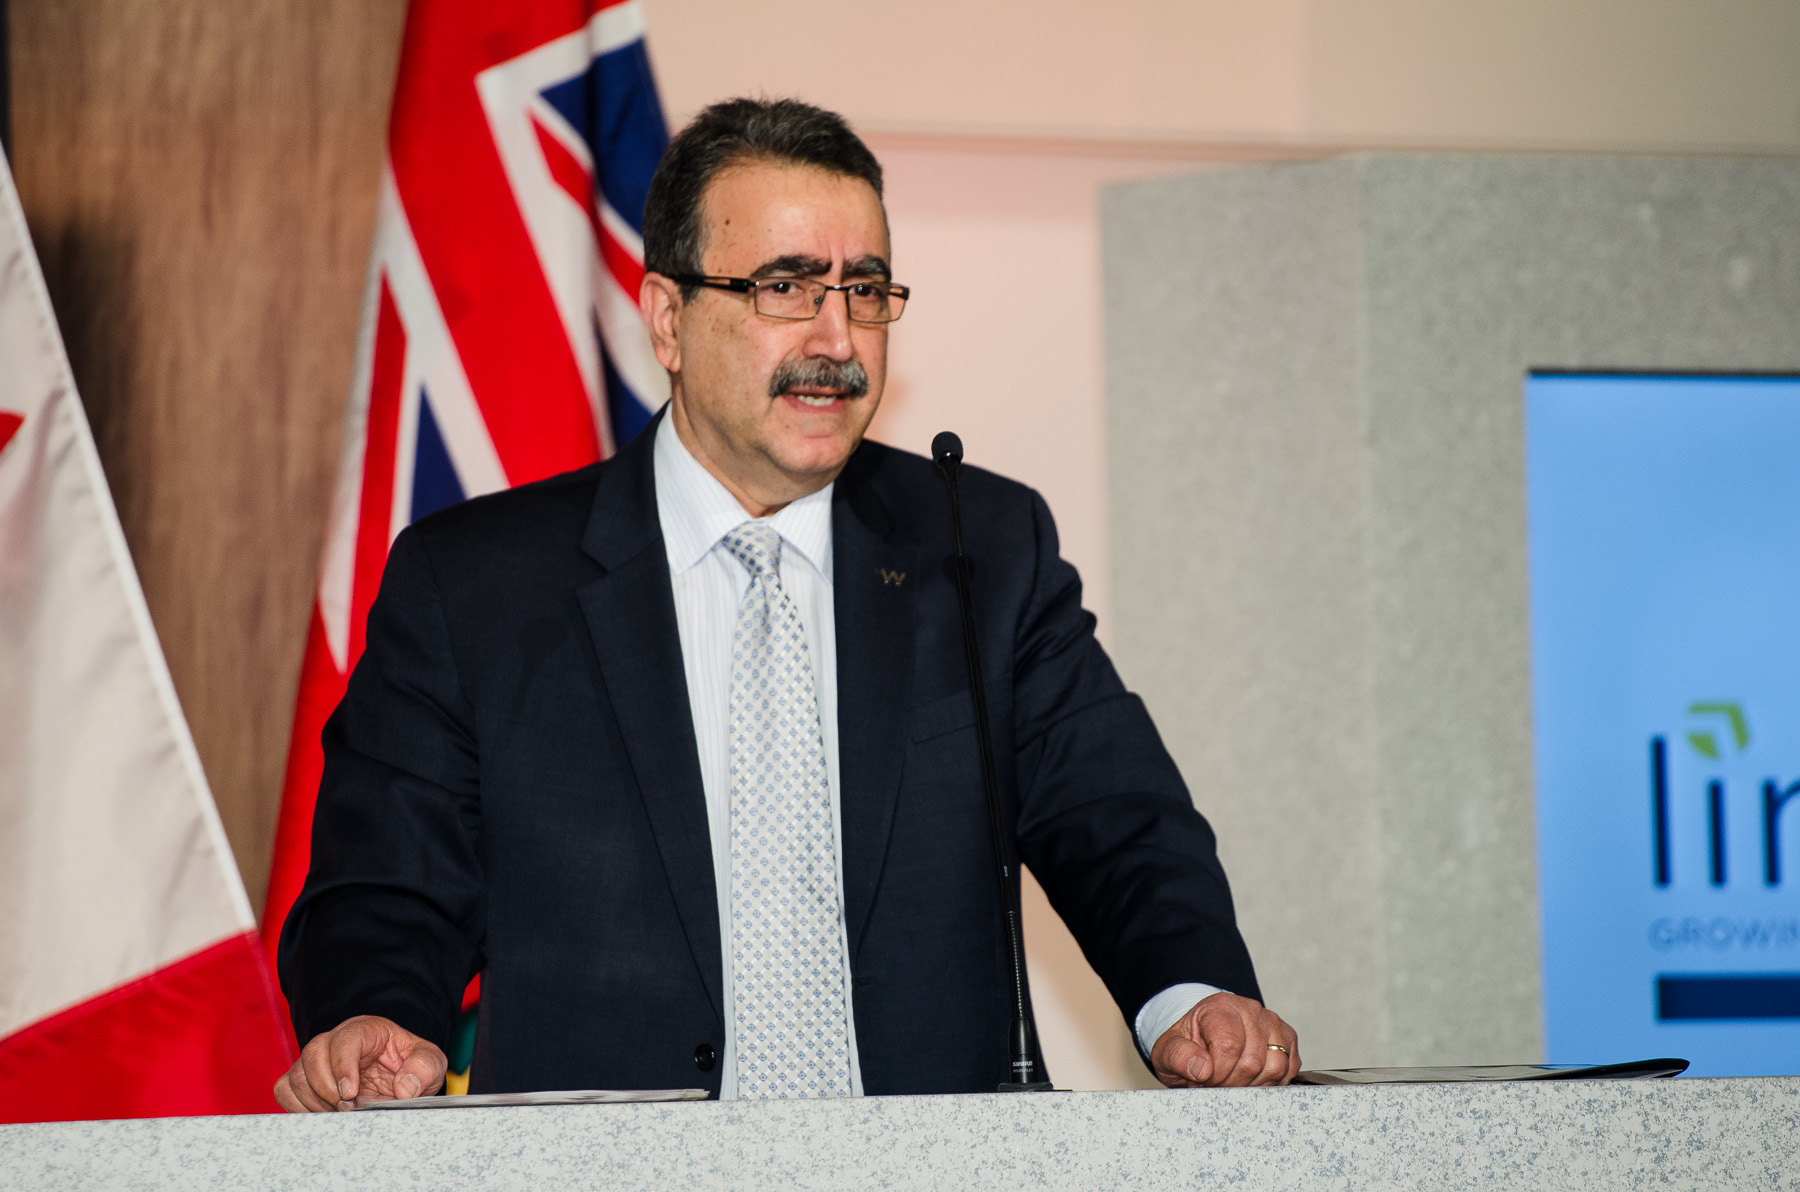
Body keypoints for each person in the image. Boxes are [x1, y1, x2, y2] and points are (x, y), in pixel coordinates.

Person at [273, 98, 1299, 1112]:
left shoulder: (977, 548)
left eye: (866, 290)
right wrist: (374, 1014)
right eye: (786, 287)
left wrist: (1191, 994)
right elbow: (387, 883)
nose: (837, 338)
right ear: (668, 319)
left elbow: (1118, 822)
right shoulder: (476, 585)